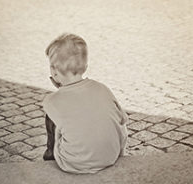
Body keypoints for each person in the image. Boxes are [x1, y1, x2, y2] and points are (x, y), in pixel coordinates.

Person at [42, 33, 128, 174]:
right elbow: (122, 119)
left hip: (74, 163)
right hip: (111, 156)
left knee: (53, 117)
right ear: (86, 66)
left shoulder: (52, 101)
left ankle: (50, 155)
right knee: (115, 116)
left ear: (54, 71)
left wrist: (60, 90)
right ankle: (115, 150)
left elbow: (68, 108)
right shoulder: (102, 88)